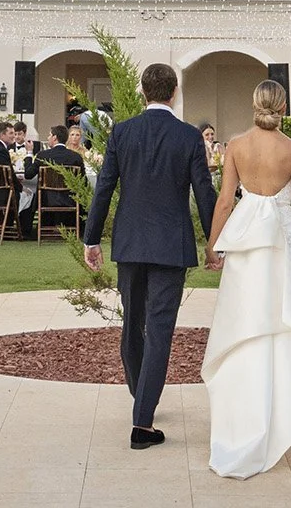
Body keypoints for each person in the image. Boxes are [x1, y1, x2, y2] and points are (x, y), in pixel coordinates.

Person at [203, 79, 291, 479]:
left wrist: (213, 245)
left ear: (253, 104)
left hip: (246, 237)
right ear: (283, 106)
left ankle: (246, 406)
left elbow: (225, 200)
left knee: (246, 318)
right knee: (279, 319)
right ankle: (277, 407)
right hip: (279, 236)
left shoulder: (235, 146)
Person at [84, 62, 217, 452]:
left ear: (143, 92)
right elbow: (204, 192)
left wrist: (92, 238)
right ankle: (142, 421)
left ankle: (141, 398)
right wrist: (214, 243)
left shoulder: (122, 133)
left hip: (130, 243)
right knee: (159, 329)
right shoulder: (188, 136)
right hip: (170, 246)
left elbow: (104, 188)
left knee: (133, 322)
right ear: (174, 93)